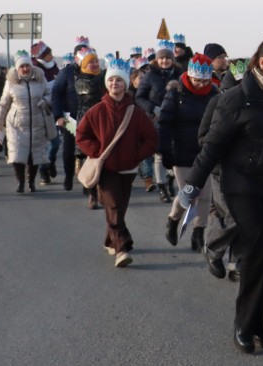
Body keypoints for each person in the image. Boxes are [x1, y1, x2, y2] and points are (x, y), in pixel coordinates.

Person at [180, 38, 263, 354]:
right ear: (261, 62)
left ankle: (258, 324)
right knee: (256, 252)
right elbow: (211, 147)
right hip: (243, 188)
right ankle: (244, 325)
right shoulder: (236, 99)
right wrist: (190, 188)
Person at [76, 59, 158, 267]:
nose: (114, 84)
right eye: (111, 80)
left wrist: (136, 155)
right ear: (106, 83)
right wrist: (97, 152)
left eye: (119, 80)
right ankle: (122, 248)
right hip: (106, 169)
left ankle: (109, 240)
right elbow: (81, 136)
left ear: (126, 85)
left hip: (128, 169)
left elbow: (151, 138)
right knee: (112, 205)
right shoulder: (96, 111)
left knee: (119, 209)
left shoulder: (137, 113)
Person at [159, 53, 218, 252]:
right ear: (189, 76)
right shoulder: (175, 94)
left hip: (205, 154)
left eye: (204, 81)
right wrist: (165, 150)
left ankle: (198, 233)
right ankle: (173, 219)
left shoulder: (214, 95)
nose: (201, 85)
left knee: (205, 195)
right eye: (196, 80)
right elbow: (165, 124)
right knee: (189, 194)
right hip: (181, 152)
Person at [200, 59, 246, 281]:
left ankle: (236, 262)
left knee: (245, 216)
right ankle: (213, 249)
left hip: (248, 171)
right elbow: (203, 138)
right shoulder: (216, 103)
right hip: (221, 170)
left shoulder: (254, 103)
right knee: (231, 214)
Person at [51, 38, 106, 206]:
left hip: (101, 120)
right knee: (71, 149)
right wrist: (58, 115)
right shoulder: (68, 73)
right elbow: (56, 94)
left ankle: (91, 188)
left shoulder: (103, 75)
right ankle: (69, 176)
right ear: (76, 57)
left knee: (96, 154)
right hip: (72, 117)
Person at [0, 50, 54, 194]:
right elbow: (4, 103)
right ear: (17, 68)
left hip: (37, 121)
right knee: (17, 155)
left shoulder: (40, 78)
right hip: (17, 123)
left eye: (27, 66)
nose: (25, 69)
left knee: (33, 155)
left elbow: (49, 93)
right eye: (21, 66)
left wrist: (45, 101)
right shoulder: (11, 82)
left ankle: (30, 182)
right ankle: (20, 182)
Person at [135, 39, 181, 200]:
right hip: (157, 120)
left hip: (176, 119)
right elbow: (139, 97)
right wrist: (153, 108)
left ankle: (170, 178)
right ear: (157, 59)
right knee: (160, 154)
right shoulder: (149, 76)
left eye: (168, 58)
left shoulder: (180, 75)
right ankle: (161, 187)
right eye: (161, 58)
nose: (164, 61)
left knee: (175, 152)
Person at [31, 40, 61, 185]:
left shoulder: (54, 67)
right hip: (40, 110)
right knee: (43, 144)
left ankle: (51, 161)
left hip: (54, 110)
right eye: (48, 54)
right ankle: (43, 171)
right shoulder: (35, 69)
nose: (51, 56)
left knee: (55, 142)